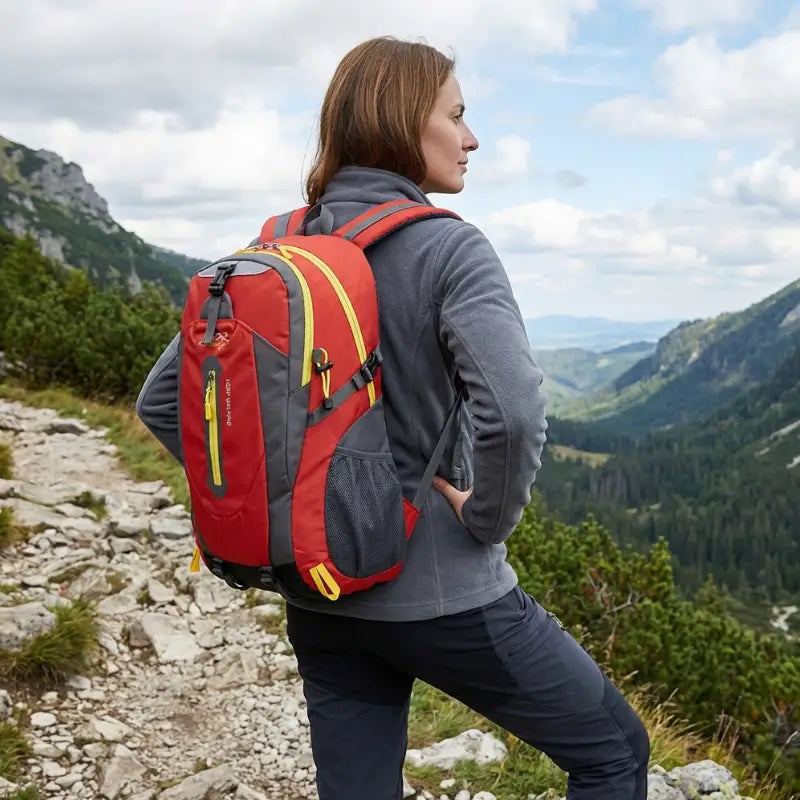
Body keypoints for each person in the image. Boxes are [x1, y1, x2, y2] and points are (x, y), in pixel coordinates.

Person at [136, 35, 649, 800]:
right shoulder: (449, 250)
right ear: (405, 121)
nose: (472, 139)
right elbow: (512, 413)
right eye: (458, 116)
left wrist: (287, 505)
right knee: (613, 752)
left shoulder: (272, 250)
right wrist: (486, 520)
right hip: (445, 596)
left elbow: (164, 403)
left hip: (318, 590)